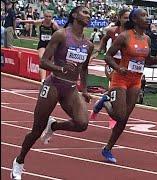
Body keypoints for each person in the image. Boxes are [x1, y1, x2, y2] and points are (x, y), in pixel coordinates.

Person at [10, 6, 94, 179]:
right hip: (54, 84)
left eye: (89, 13)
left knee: (82, 124)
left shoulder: (88, 44)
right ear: (74, 15)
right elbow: (43, 62)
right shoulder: (61, 35)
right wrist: (60, 68)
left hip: (71, 88)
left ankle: (53, 126)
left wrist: (84, 89)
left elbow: (84, 69)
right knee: (36, 130)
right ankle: (19, 161)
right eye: (84, 12)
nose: (88, 15)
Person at [95, 8, 157, 163]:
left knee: (124, 118)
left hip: (136, 80)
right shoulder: (125, 36)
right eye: (143, 16)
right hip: (121, 78)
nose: (147, 19)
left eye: (147, 16)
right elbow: (108, 56)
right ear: (134, 20)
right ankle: (105, 102)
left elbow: (146, 60)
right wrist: (118, 67)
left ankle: (107, 149)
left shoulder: (146, 39)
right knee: (119, 115)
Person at [90, 8, 130, 129]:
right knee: (115, 91)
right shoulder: (113, 31)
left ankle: (100, 104)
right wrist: (98, 50)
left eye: (129, 18)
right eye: (125, 17)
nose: (127, 20)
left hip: (124, 65)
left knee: (123, 93)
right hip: (112, 64)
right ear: (119, 18)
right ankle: (112, 118)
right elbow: (104, 39)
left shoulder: (132, 32)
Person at [16, 10, 60, 83]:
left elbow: (60, 33)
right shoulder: (41, 22)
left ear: (52, 17)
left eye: (49, 17)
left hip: (51, 45)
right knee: (42, 60)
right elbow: (32, 22)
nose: (48, 18)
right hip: (42, 44)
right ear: (44, 16)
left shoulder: (54, 25)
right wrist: (21, 21)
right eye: (46, 16)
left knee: (51, 63)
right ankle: (43, 80)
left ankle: (53, 79)